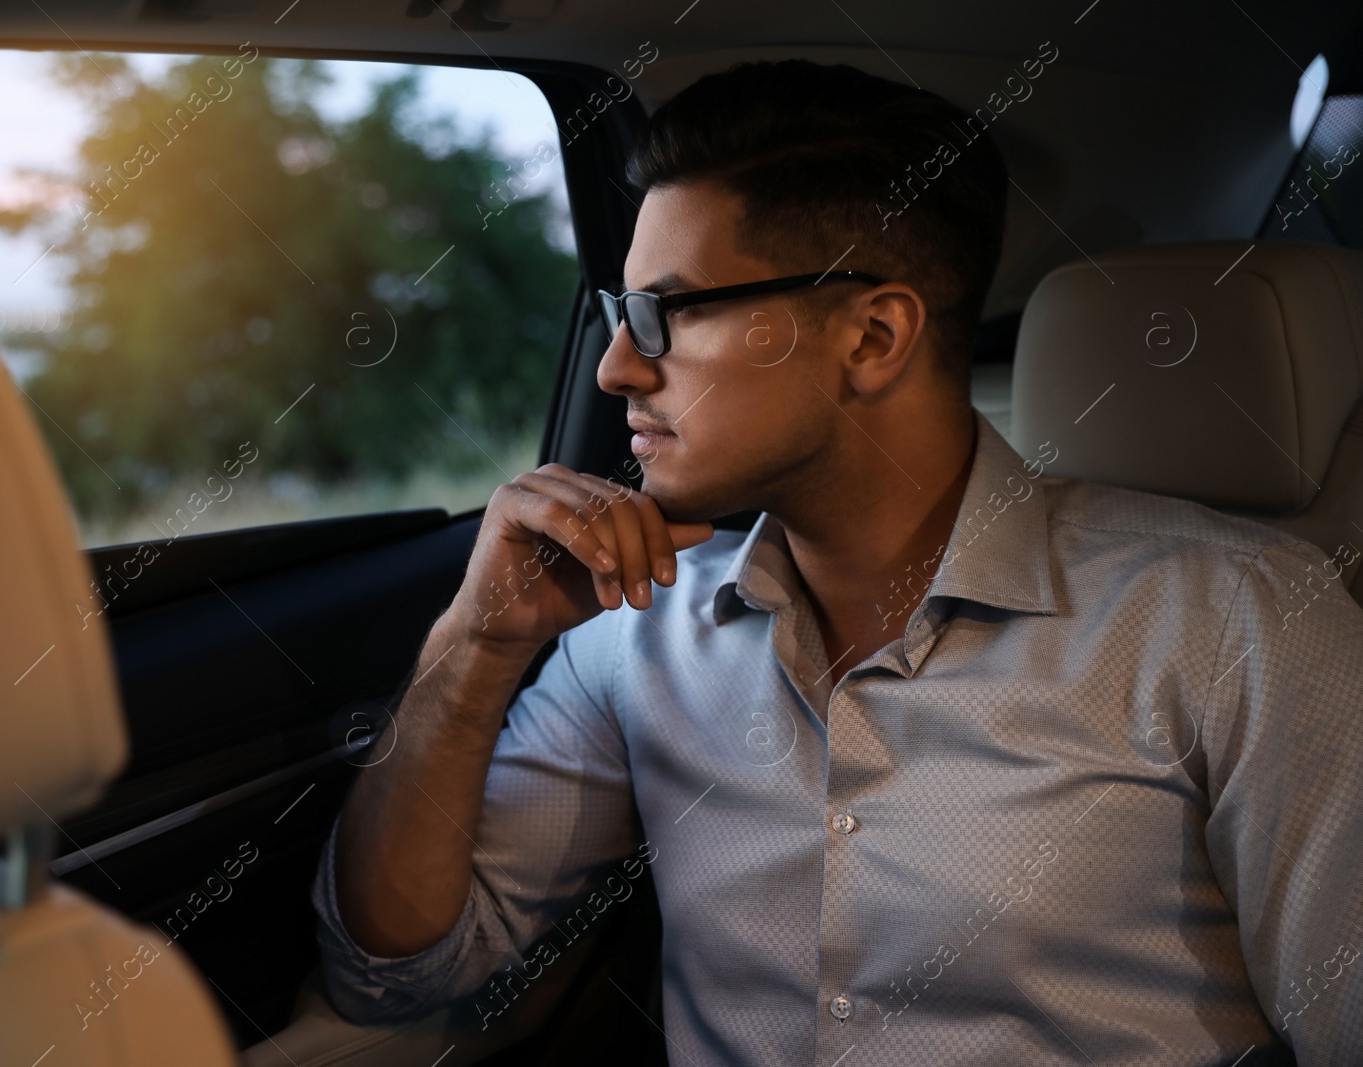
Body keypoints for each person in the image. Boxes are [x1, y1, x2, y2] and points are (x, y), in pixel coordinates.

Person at [311, 59, 1363, 1065]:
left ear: (871, 336)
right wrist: (475, 640)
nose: (615, 366)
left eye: (663, 313)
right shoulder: (633, 631)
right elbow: (399, 980)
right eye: (615, 315)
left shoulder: (1244, 626)